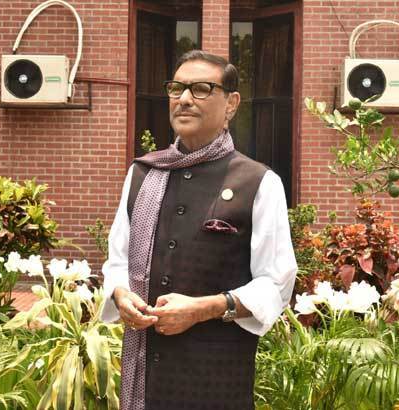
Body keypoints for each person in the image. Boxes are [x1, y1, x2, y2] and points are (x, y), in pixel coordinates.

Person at [101, 50, 297, 410]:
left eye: (202, 89)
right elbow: (118, 261)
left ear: (231, 104)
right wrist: (120, 294)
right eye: (177, 89)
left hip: (217, 381)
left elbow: (276, 282)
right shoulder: (142, 174)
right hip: (147, 380)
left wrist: (204, 308)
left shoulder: (258, 182)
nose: (185, 99)